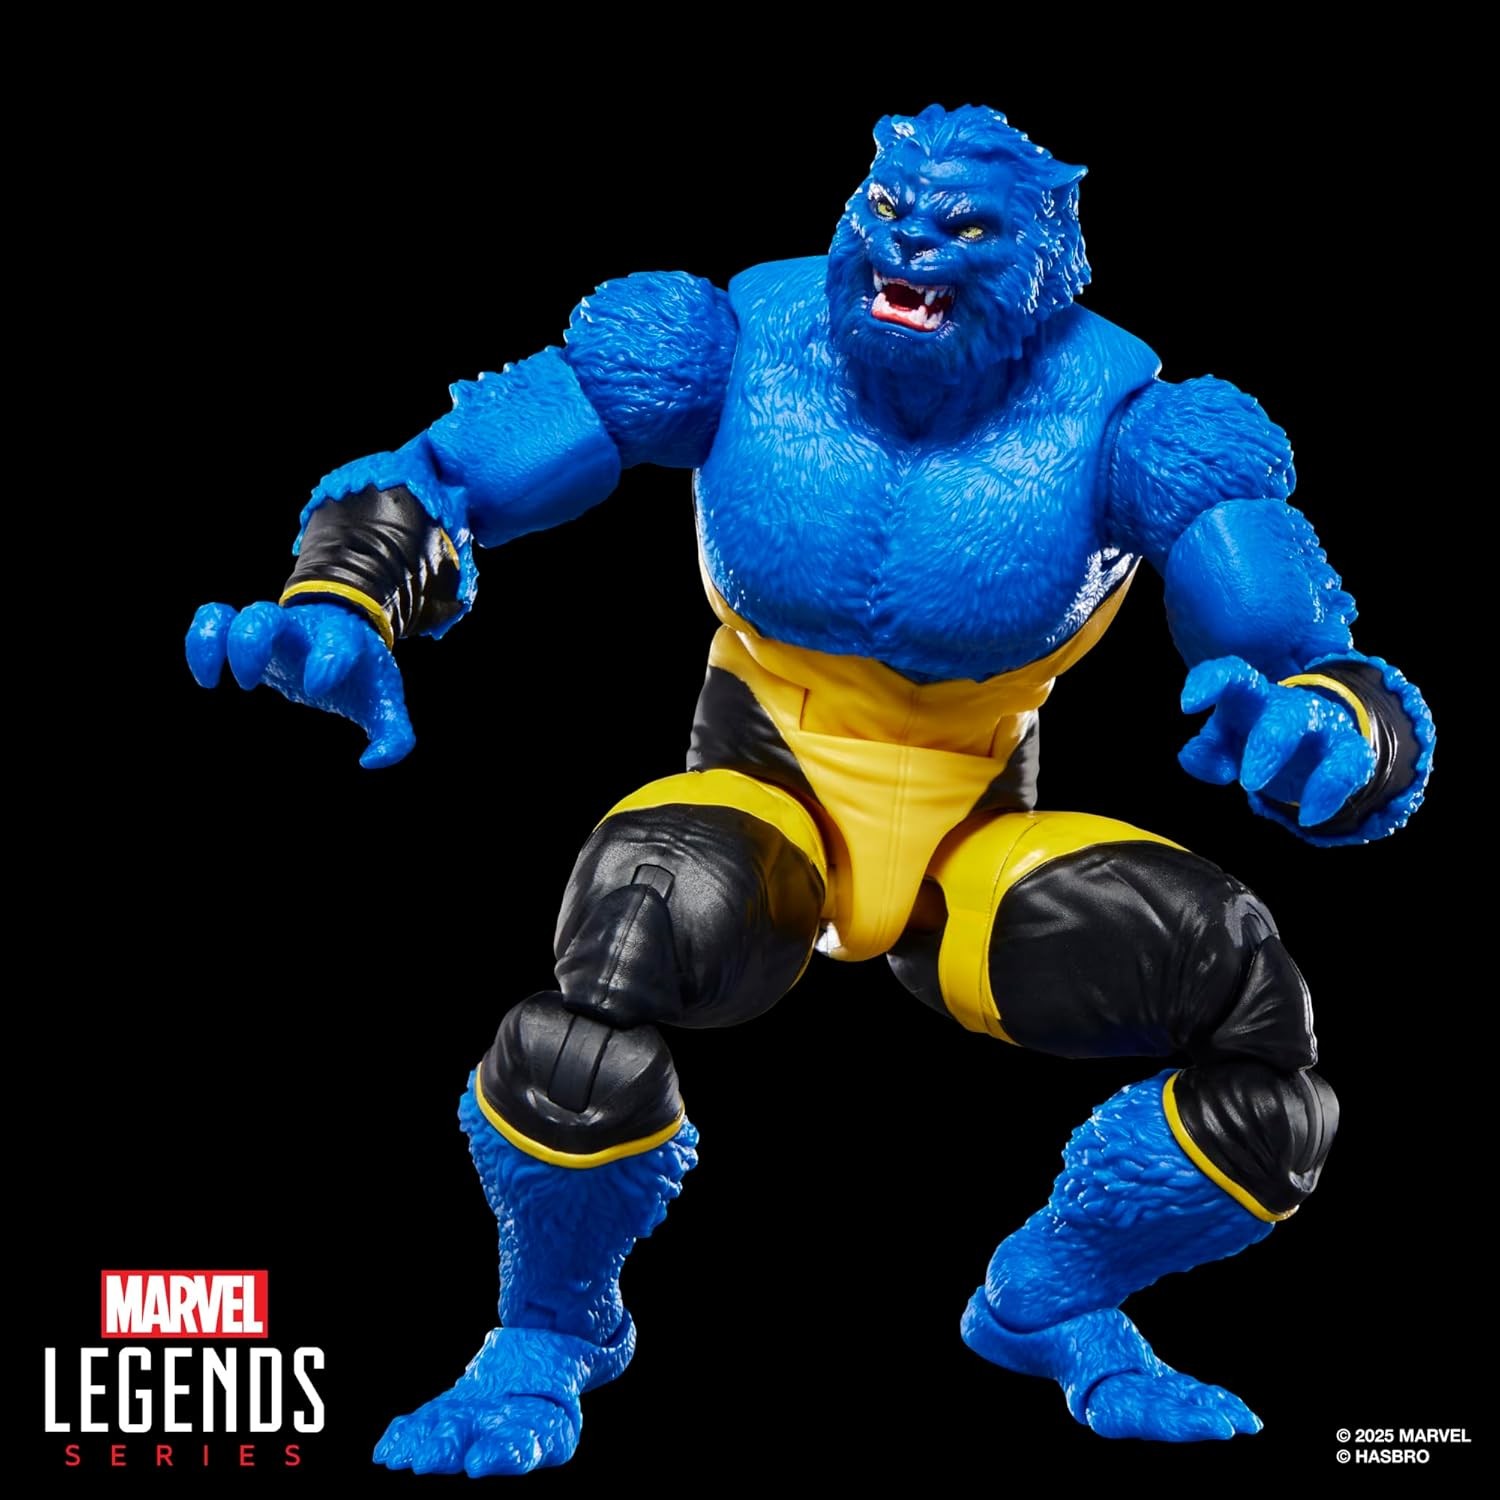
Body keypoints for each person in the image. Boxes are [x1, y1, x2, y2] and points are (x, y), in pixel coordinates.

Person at [186, 103, 1432, 1474]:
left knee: (1261, 1033)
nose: (911, 248)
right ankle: (549, 1330)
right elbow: (447, 473)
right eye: (886, 211)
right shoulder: (724, 343)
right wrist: (344, 595)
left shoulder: (1137, 426)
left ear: (1043, 267)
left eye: (965, 229)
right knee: (619, 945)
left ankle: (1051, 1299)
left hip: (974, 838)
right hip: (759, 782)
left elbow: (1310, 657)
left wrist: (1330, 735)